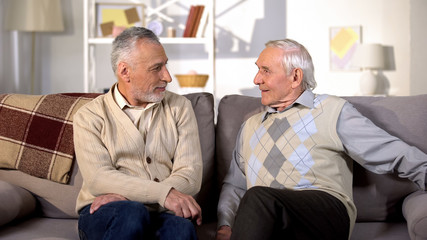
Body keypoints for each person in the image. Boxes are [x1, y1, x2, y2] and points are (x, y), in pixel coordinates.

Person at [215, 38, 427, 240]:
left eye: (266, 71)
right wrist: (226, 224)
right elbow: (235, 185)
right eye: (258, 69)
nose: (256, 79)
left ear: (295, 77)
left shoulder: (331, 111)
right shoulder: (250, 126)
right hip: (268, 220)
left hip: (325, 213)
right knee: (259, 202)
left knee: (258, 197)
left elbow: (389, 151)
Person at [73, 27, 203, 239]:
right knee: (131, 214)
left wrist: (140, 198)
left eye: (165, 65)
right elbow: (99, 179)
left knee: (182, 229)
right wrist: (164, 195)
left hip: (162, 213)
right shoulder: (89, 116)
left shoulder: (180, 107)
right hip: (105, 213)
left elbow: (190, 176)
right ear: (125, 72)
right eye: (156, 68)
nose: (168, 77)